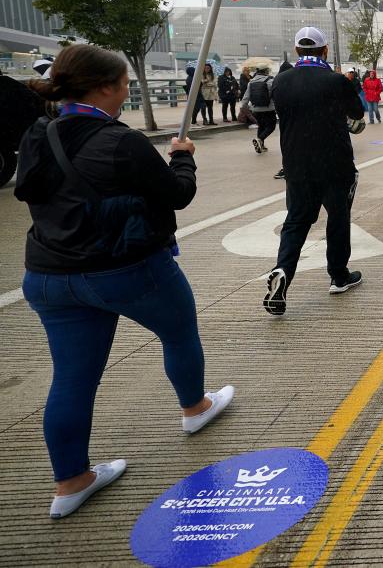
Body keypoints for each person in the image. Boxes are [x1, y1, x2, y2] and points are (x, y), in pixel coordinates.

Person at [14, 44, 234, 518]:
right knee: (178, 332)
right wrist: (183, 157)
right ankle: (195, 409)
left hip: (49, 278)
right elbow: (177, 195)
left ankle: (71, 482)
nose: (127, 93)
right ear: (108, 87)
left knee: (72, 378)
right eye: (126, 86)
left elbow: (30, 191)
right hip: (126, 270)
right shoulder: (120, 140)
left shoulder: (39, 133)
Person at [262, 27, 366, 316]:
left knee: (295, 221)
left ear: (296, 51)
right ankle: (338, 275)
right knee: (338, 217)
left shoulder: (281, 82)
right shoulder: (335, 81)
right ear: (325, 51)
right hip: (335, 163)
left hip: (297, 164)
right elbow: (357, 114)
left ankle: (283, 270)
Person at [241, 65, 277, 154]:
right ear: (265, 71)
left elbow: (246, 97)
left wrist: (243, 106)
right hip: (269, 108)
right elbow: (275, 94)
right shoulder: (270, 81)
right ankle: (260, 139)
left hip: (256, 109)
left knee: (261, 126)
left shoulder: (251, 82)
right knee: (271, 126)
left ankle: (261, 146)